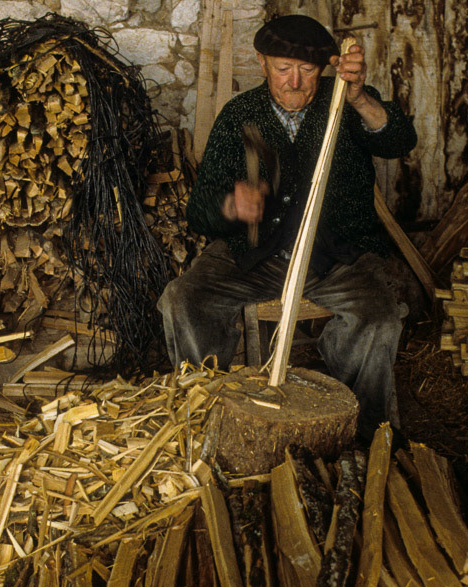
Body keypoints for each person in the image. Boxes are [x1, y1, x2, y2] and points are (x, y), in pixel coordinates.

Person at [158, 14, 422, 439]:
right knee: (183, 300)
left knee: (379, 320)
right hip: (253, 255)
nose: (295, 83)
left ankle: (370, 437)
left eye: (308, 71)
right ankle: (201, 415)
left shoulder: (345, 102)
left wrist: (358, 99)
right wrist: (230, 205)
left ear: (325, 69)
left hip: (337, 257)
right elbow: (198, 210)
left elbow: (399, 141)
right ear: (261, 63)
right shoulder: (240, 115)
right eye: (284, 69)